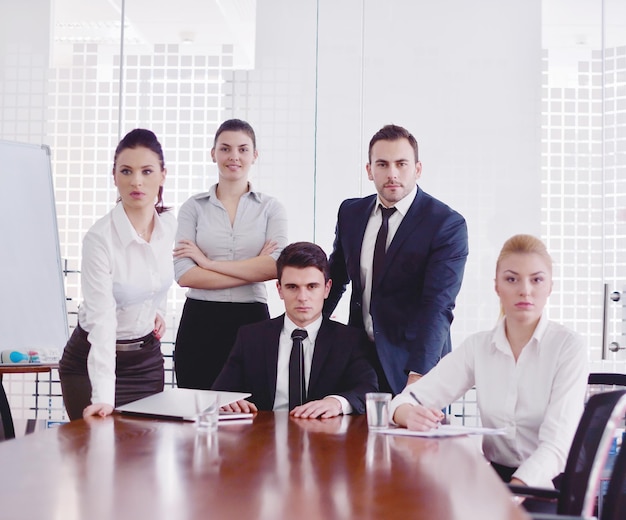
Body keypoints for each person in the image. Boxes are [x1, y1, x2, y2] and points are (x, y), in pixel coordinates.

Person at [390, 234, 589, 493]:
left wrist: (511, 494)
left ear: (550, 286)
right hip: (497, 479)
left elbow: (556, 447)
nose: (525, 290)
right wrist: (408, 414)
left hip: (552, 486)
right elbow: (404, 401)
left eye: (537, 279)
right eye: (511, 279)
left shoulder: (569, 347)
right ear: (497, 286)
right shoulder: (478, 347)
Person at [323, 124, 468, 395]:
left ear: (418, 169)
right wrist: (308, 334)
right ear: (369, 170)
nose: (392, 174)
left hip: (413, 364)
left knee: (415, 438)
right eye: (382, 164)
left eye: (401, 164)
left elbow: (438, 305)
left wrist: (419, 375)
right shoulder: (351, 213)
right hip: (358, 361)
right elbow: (335, 281)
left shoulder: (445, 224)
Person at [59, 129, 176, 420]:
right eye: (127, 171)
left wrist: (154, 309)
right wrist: (103, 398)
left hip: (146, 362)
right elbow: (102, 322)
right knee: (97, 455)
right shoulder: (99, 239)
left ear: (163, 175)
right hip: (91, 361)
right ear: (114, 176)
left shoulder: (171, 227)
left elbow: (160, 279)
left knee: (143, 460)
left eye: (147, 171)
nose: (136, 181)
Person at [173, 119, 288, 390]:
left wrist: (208, 263)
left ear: (254, 155)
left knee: (252, 413)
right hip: (200, 320)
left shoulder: (271, 209)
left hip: (252, 319)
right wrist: (251, 270)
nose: (233, 156)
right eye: (225, 149)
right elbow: (184, 274)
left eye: (243, 149)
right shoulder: (193, 208)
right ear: (213, 154)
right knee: (197, 411)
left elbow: (275, 267)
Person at [213, 242, 378, 418]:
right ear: (280, 289)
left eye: (312, 286)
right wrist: (230, 402)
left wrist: (337, 402)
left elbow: (367, 390)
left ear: (327, 289)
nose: (302, 297)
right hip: (262, 435)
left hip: (325, 437)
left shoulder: (349, 340)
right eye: (292, 287)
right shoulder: (251, 337)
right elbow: (221, 393)